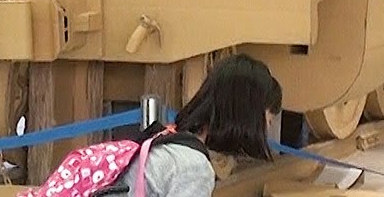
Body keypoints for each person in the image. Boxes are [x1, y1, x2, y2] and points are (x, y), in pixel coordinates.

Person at [115, 54, 282, 196]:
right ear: (247, 116)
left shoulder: (171, 142)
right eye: (268, 121)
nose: (266, 131)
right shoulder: (193, 168)